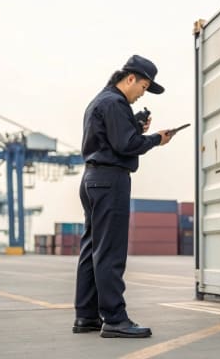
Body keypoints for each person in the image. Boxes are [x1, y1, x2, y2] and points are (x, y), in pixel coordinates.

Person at [72, 55, 173, 338]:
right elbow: (126, 145)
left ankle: (86, 316)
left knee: (92, 249)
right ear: (130, 78)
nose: (142, 94)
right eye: (143, 87)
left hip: (92, 179)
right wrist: (156, 138)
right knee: (110, 252)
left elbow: (115, 139)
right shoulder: (115, 103)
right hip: (110, 181)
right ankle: (115, 319)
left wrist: (135, 127)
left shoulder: (100, 101)